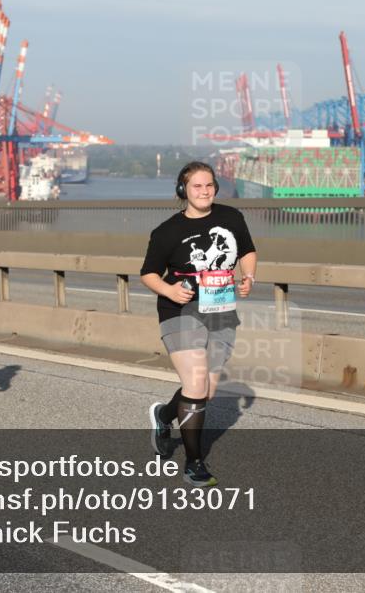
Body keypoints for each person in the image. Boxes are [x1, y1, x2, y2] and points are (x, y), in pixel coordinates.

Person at [141, 162, 257, 487]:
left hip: (221, 310)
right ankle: (194, 464)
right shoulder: (167, 231)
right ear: (183, 190)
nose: (204, 192)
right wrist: (169, 290)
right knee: (194, 384)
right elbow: (148, 273)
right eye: (197, 186)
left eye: (209, 186)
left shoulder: (231, 218)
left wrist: (248, 276)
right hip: (180, 310)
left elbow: (247, 251)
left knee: (205, 391)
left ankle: (165, 415)